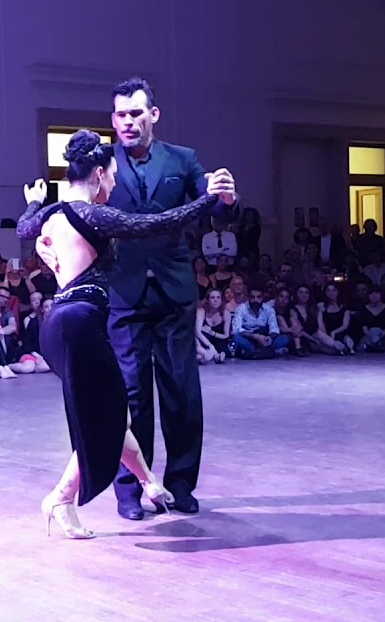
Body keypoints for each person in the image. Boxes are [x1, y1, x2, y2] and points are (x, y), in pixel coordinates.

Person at [15, 130, 232, 539]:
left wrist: (33, 200)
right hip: (80, 324)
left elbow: (24, 227)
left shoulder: (52, 214)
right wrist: (208, 200)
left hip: (58, 324)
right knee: (106, 418)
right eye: (112, 175)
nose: (114, 183)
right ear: (98, 174)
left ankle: (147, 483)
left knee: (112, 415)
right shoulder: (93, 215)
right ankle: (61, 498)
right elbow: (157, 223)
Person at [103, 78, 237, 519]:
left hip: (174, 291)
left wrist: (225, 200)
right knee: (131, 396)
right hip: (125, 293)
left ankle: (181, 485)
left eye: (136, 113)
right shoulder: (103, 163)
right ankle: (130, 491)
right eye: (121, 114)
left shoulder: (183, 159)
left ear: (153, 115)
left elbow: (213, 206)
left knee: (181, 393)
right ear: (113, 119)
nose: (128, 122)